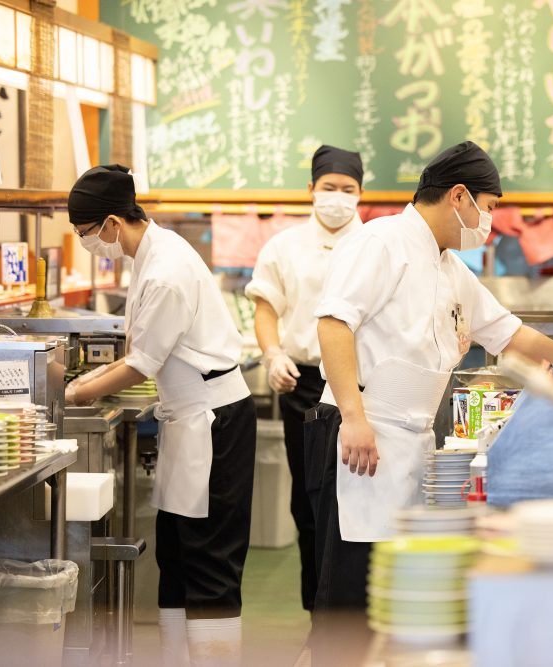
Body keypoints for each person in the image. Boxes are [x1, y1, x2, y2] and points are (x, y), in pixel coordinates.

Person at [306, 141, 553, 660]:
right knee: (348, 601)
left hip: (405, 442)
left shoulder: (449, 267)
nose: (488, 221)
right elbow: (333, 324)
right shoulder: (381, 241)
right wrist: (354, 420)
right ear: (459, 197)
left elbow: (515, 336)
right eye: (489, 208)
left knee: (388, 598)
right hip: (359, 433)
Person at [63, 165, 256, 667]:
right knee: (176, 556)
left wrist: (76, 392)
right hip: (188, 418)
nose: (87, 243)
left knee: (210, 560)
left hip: (215, 420)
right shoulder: (149, 254)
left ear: (110, 223)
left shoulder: (167, 269)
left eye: (85, 234)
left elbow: (140, 364)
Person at [244, 145, 364, 612]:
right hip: (302, 383)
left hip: (359, 384)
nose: (337, 197)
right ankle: (317, 609)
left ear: (360, 193)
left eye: (348, 189)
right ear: (311, 189)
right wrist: (272, 355)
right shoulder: (283, 246)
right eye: (329, 187)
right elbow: (265, 309)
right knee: (308, 498)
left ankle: (353, 608)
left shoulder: (374, 243)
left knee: (355, 495)